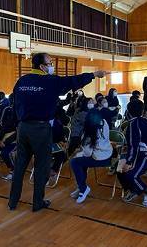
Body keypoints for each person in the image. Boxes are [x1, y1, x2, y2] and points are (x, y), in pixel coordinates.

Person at [9, 52, 106, 212]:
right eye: (50, 63)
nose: (52, 65)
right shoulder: (50, 81)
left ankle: (12, 202)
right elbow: (72, 81)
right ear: (41, 66)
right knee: (42, 166)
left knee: (20, 166)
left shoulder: (22, 81)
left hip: (23, 128)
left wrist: (18, 125)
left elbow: (15, 104)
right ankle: (37, 202)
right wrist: (94, 74)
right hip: (40, 129)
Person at [117, 99, 147, 206]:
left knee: (131, 175)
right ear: (143, 111)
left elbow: (134, 145)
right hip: (136, 155)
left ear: (128, 112)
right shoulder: (146, 121)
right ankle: (134, 190)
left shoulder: (133, 125)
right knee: (119, 169)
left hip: (145, 156)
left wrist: (129, 162)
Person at [70, 110, 113, 203]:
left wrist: (79, 153)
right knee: (82, 162)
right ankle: (81, 187)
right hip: (108, 155)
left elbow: (87, 153)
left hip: (99, 158)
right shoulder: (104, 122)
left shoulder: (90, 131)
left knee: (74, 162)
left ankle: (83, 188)